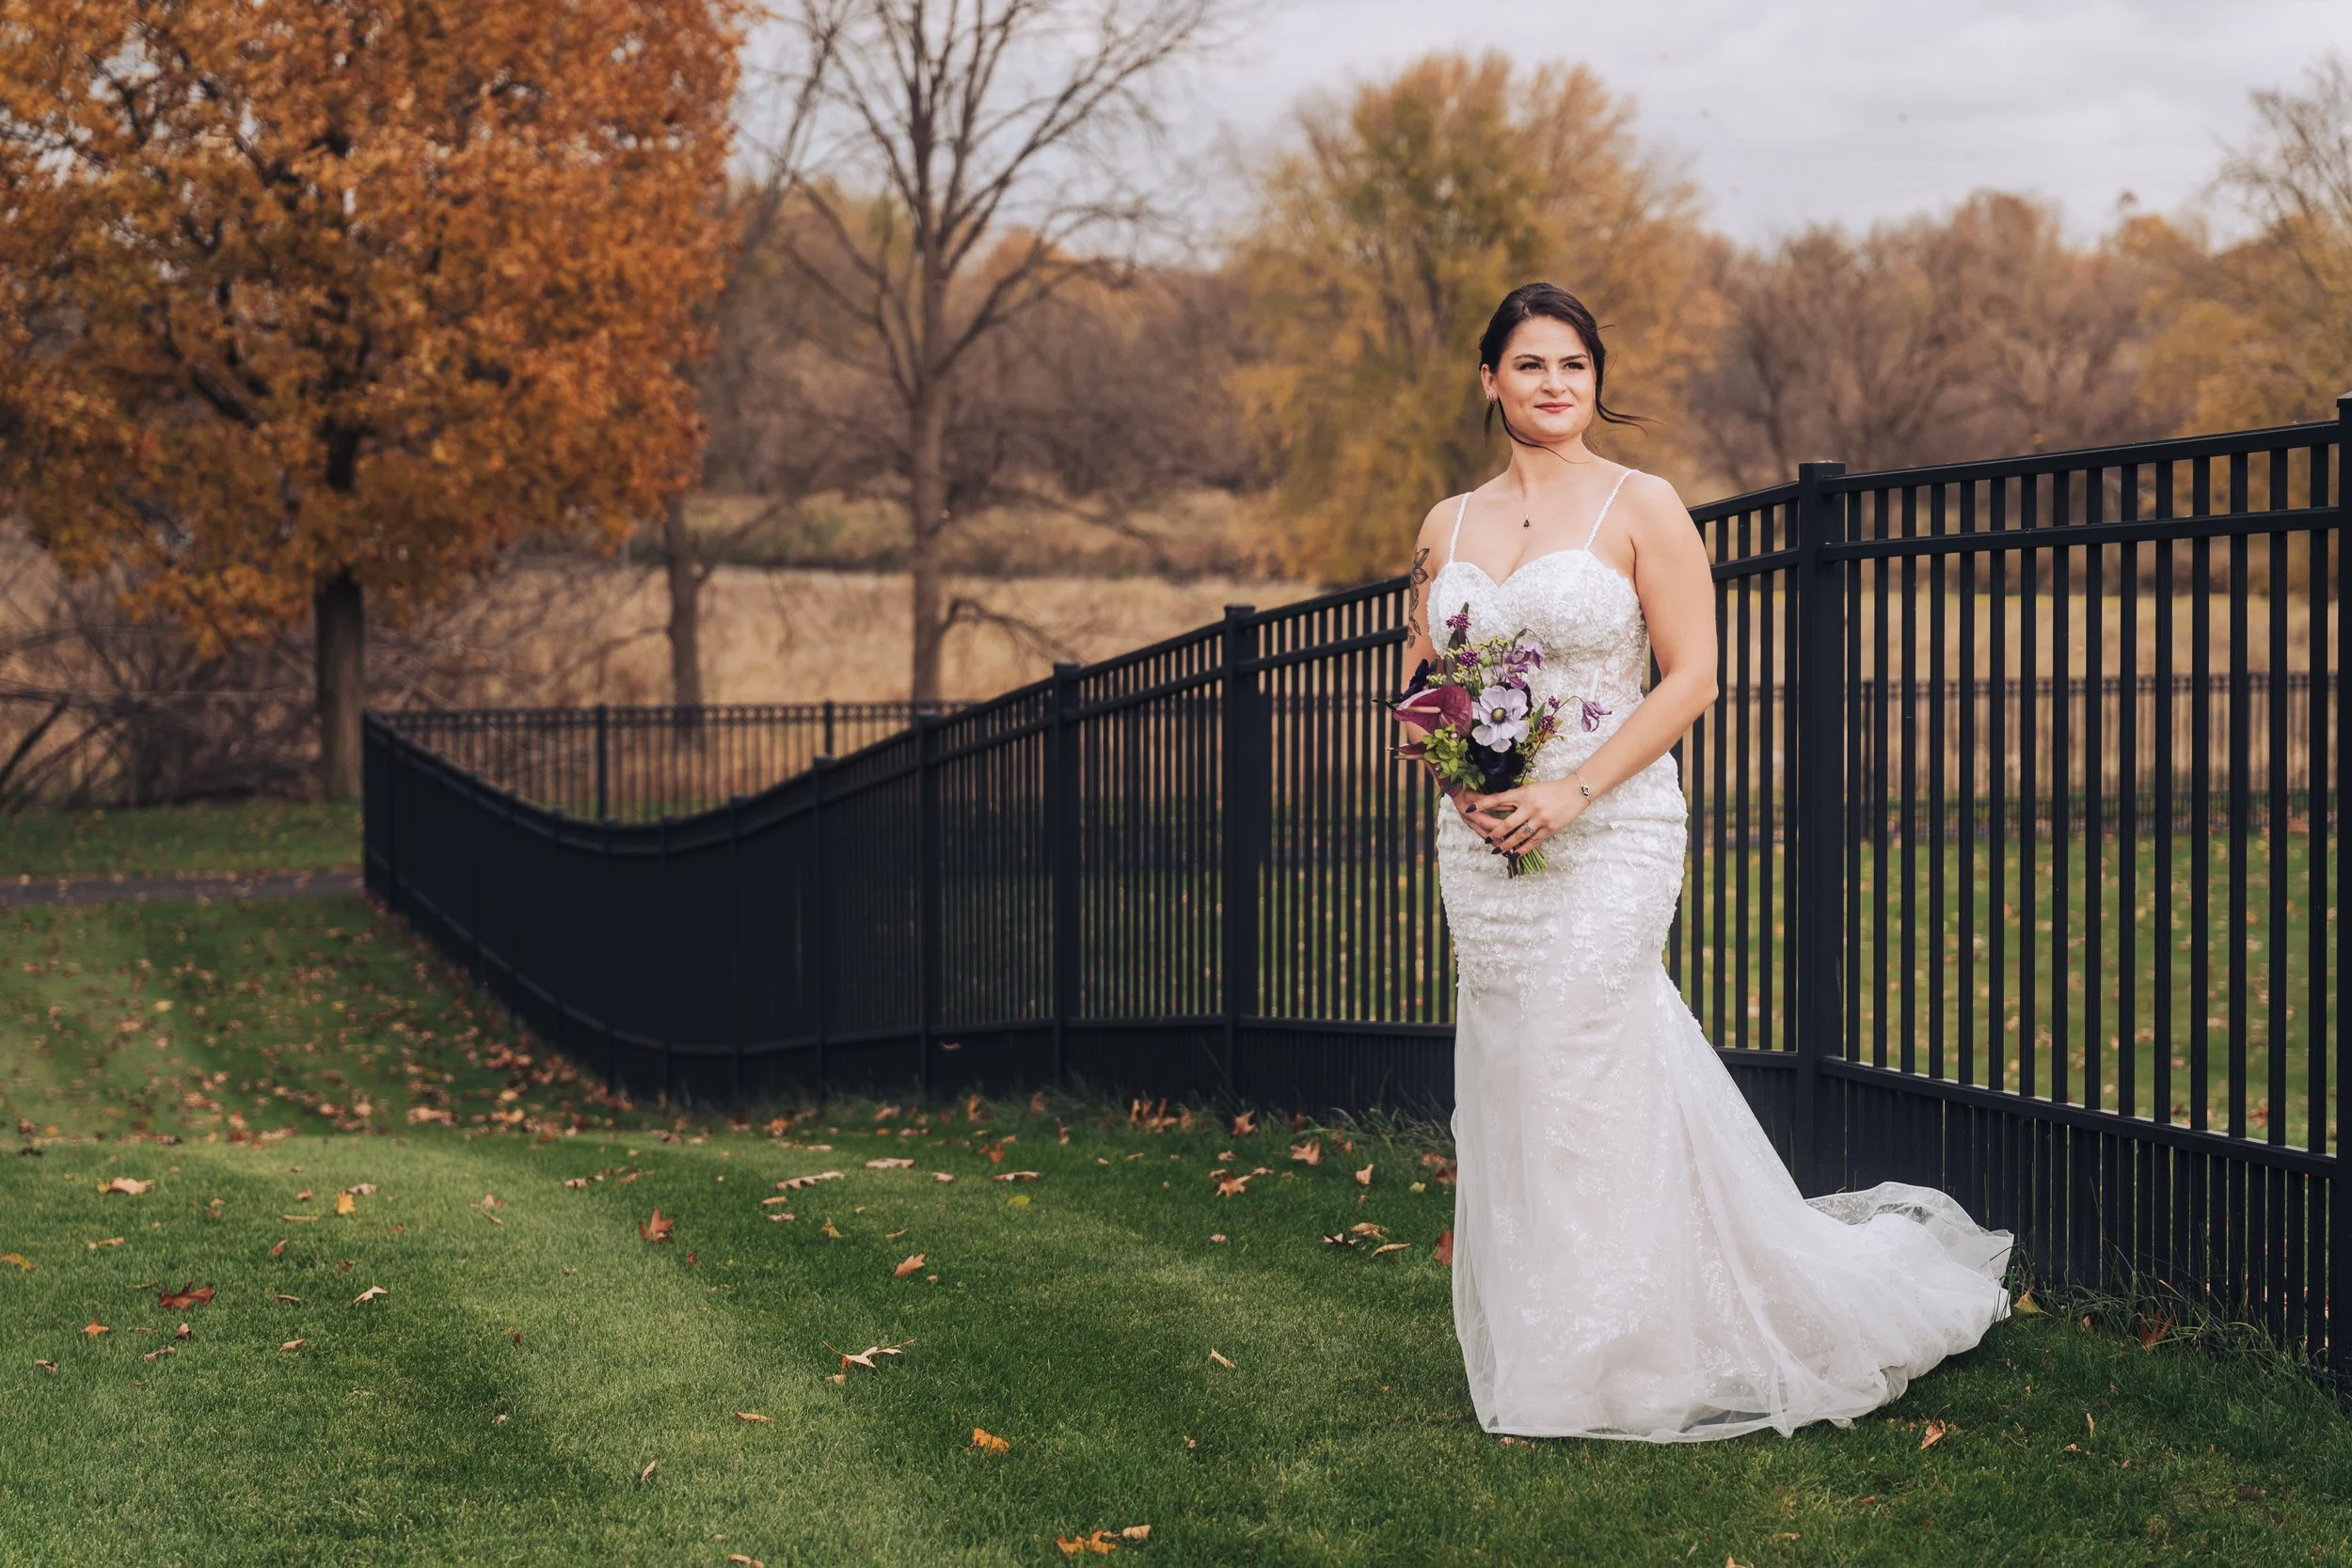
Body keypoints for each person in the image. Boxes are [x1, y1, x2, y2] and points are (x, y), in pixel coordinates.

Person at [1398, 281, 2014, 1442]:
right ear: (1488, 379)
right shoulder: (1446, 523)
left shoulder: (1646, 505)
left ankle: (1626, 1357)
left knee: (1577, 1050)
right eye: (1528, 365)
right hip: (1483, 843)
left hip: (1613, 822)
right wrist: (1465, 782)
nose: (1553, 385)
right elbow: (1429, 680)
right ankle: (1554, 1335)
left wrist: (1569, 791)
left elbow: (1692, 678)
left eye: (1573, 365)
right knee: (1519, 1069)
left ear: (1595, 379)